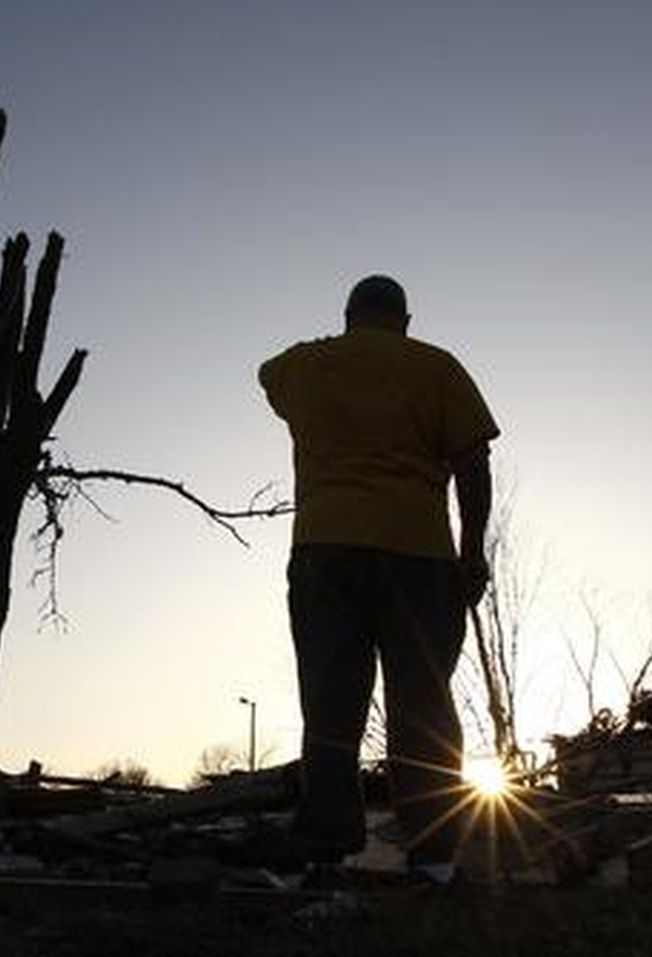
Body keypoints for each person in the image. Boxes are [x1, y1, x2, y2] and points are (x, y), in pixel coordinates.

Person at [258, 274, 499, 882]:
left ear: (347, 316)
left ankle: (326, 850)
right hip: (419, 554)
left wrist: (337, 346)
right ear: (407, 321)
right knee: (422, 705)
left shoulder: (306, 366)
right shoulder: (438, 367)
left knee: (331, 702)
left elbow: (267, 373)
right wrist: (472, 553)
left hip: (325, 549)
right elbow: (473, 464)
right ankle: (435, 858)